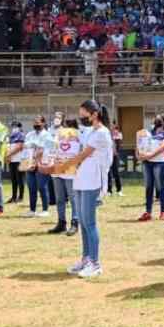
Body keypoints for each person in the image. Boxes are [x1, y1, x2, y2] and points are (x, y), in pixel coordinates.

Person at [65, 100, 113, 279]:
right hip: (80, 179)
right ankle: (86, 259)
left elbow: (83, 154)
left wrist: (62, 165)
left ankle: (95, 263)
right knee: (83, 223)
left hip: (93, 180)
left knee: (90, 222)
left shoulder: (101, 133)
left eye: (84, 114)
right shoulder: (89, 132)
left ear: (94, 114)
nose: (81, 118)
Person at [49, 119, 81, 236]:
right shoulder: (56, 136)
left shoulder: (79, 136)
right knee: (59, 198)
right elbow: (51, 149)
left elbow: (80, 152)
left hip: (71, 170)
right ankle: (61, 222)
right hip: (57, 169)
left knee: (73, 198)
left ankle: (75, 222)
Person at [138, 114, 164, 221]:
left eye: (159, 118)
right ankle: (148, 212)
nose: (156, 119)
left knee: (161, 188)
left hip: (160, 163)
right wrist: (139, 153)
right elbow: (141, 144)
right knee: (148, 188)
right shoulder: (149, 133)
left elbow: (162, 147)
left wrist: (150, 155)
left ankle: (163, 211)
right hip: (147, 163)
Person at [25, 116, 52, 218]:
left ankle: (45, 209)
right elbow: (26, 147)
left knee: (42, 187)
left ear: (43, 123)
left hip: (42, 164)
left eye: (38, 122)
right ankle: (32, 210)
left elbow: (41, 149)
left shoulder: (47, 135)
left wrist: (35, 163)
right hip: (30, 164)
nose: (36, 124)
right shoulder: (29, 134)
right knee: (32, 187)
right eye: (34, 122)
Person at [6, 121, 26, 205]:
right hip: (12, 160)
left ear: (19, 127)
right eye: (12, 126)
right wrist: (8, 156)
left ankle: (20, 197)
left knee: (20, 179)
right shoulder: (11, 136)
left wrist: (9, 154)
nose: (13, 128)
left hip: (19, 160)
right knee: (13, 180)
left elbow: (20, 147)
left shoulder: (21, 135)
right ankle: (14, 197)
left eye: (15, 126)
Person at [107, 123, 124, 196]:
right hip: (107, 157)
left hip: (115, 157)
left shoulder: (118, 135)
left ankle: (119, 190)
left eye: (115, 128)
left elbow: (118, 142)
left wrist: (113, 135)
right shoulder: (107, 135)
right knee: (108, 174)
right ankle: (109, 191)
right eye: (112, 128)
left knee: (116, 173)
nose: (113, 130)